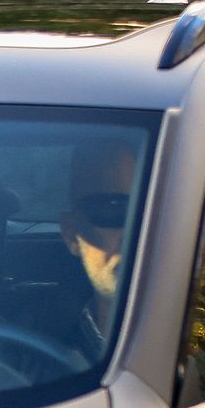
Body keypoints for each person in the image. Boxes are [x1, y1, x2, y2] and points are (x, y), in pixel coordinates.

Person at [59, 139, 137, 361]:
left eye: (162, 211)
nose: (139, 232)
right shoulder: (26, 366)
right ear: (72, 234)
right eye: (112, 209)